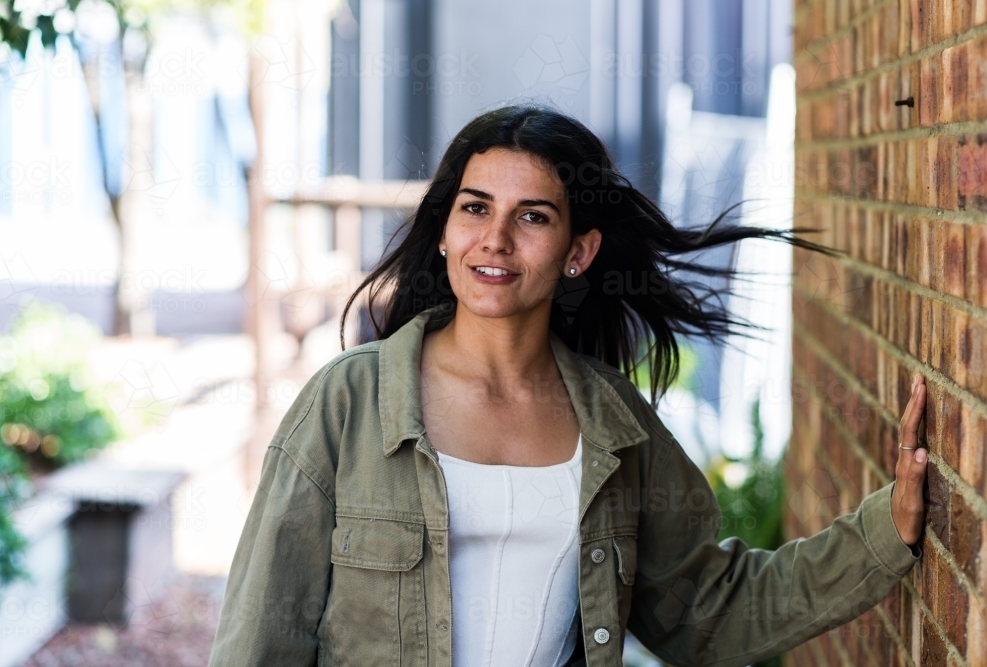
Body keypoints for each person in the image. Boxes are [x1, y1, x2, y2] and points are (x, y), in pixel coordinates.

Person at [207, 105, 928, 667]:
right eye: (476, 207)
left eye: (533, 217)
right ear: (444, 232)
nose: (495, 238)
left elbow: (711, 609)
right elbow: (262, 629)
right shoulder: (347, 405)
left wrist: (884, 532)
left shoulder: (614, 426)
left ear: (579, 251)